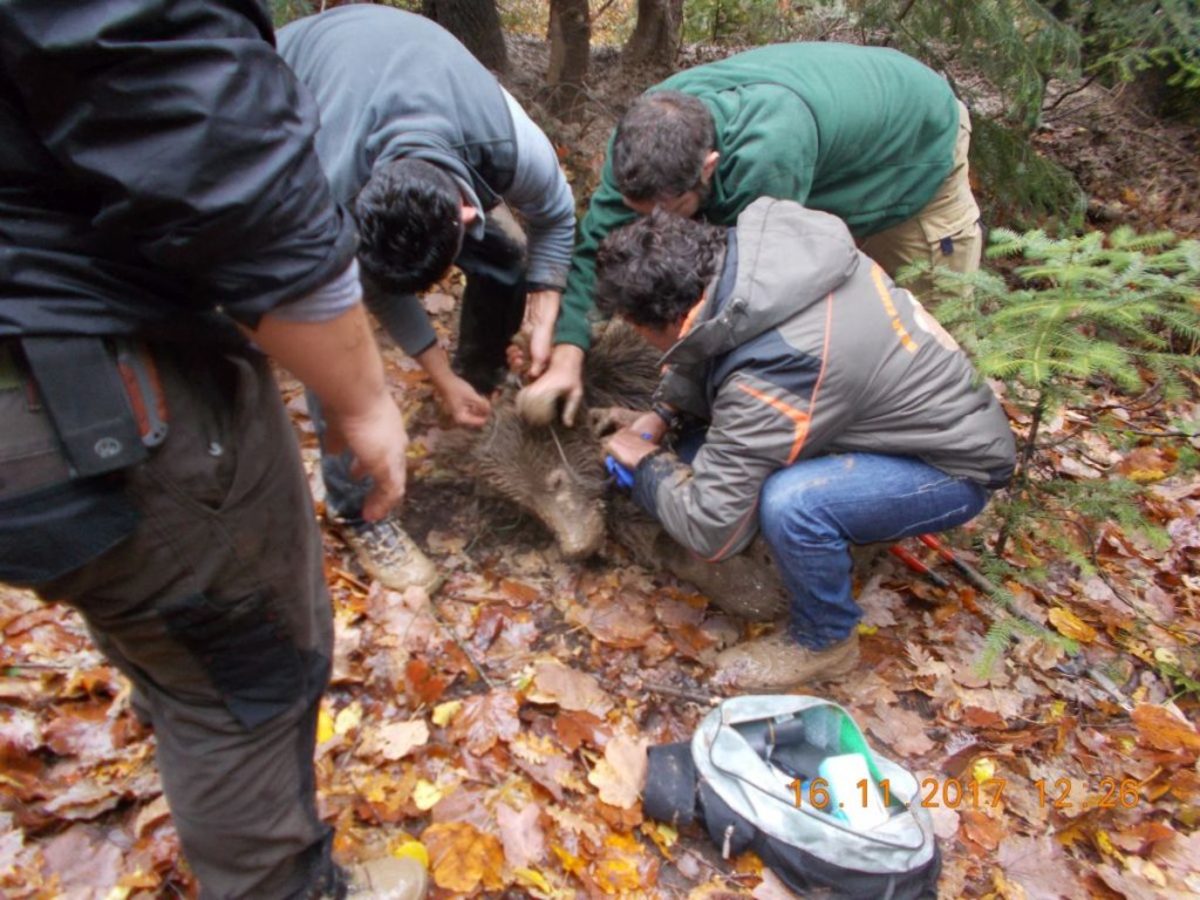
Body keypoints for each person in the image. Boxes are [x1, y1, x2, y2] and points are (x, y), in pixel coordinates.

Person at [0, 2, 425, 897]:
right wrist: (365, 400)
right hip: (76, 377)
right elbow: (229, 163)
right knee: (249, 669)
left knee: (170, 634)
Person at [597, 200, 1015, 691]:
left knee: (792, 504)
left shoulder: (780, 366)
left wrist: (645, 463)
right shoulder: (758, 258)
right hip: (887, 419)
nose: (632, 334)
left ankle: (825, 640)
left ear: (672, 319)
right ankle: (830, 540)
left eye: (634, 324)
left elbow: (713, 531)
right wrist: (662, 414)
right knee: (700, 450)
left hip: (947, 468)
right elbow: (713, 344)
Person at [521, 41, 983, 423]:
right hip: (828, 148)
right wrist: (568, 352)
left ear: (708, 168)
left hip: (913, 149)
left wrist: (672, 411)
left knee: (921, 330)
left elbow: (753, 298)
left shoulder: (767, 159)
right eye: (638, 212)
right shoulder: (643, 145)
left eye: (669, 213)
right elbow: (597, 251)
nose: (654, 229)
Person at [277, 5, 576, 592]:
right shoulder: (320, 185)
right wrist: (428, 374)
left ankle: (478, 378)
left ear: (468, 213)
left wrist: (545, 313)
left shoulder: (511, 144)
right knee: (326, 338)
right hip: (297, 80)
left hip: (414, 78)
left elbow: (558, 218)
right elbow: (360, 292)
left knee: (508, 260)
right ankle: (354, 509)